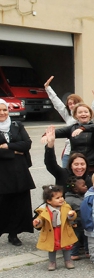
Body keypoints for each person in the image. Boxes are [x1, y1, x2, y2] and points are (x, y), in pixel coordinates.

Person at [0, 98, 35, 246]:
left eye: (5, 110)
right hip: (2, 172)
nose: (2, 113)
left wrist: (7, 147)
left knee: (18, 203)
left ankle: (13, 234)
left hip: (19, 172)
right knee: (2, 203)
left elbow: (27, 144)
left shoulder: (17, 124)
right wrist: (15, 151)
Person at [33, 185, 78, 270]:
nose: (61, 199)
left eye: (61, 197)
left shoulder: (66, 207)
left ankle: (68, 260)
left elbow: (71, 218)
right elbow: (41, 219)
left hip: (63, 230)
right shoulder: (44, 210)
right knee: (52, 247)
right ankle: (52, 262)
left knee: (66, 246)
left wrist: (71, 215)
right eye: (57, 198)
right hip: (52, 232)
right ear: (49, 201)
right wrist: (38, 222)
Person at [54, 103, 94, 173]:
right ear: (75, 115)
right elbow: (58, 132)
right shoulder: (72, 128)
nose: (83, 114)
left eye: (86, 112)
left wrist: (82, 128)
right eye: (80, 112)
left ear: (90, 114)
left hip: (92, 166)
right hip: (76, 167)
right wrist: (47, 134)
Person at [44, 76, 81, 167]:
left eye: (74, 103)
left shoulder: (87, 115)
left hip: (83, 152)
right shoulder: (68, 116)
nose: (72, 106)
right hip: (68, 153)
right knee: (65, 177)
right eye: (70, 104)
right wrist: (48, 88)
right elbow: (57, 103)